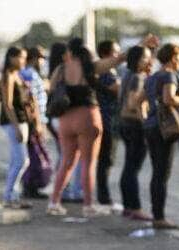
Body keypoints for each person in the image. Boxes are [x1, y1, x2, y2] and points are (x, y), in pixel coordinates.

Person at [47, 37, 125, 217]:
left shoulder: (60, 69)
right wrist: (143, 45)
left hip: (65, 119)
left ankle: (54, 202)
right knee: (88, 163)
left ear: (70, 52)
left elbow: (51, 89)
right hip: (87, 117)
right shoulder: (91, 67)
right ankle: (88, 205)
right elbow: (118, 59)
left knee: (66, 163)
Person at [144, 43, 179, 229]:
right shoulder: (169, 75)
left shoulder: (153, 77)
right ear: (173, 58)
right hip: (165, 129)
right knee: (162, 174)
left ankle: (156, 214)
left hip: (151, 127)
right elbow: (169, 99)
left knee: (157, 172)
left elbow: (138, 100)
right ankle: (159, 217)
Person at [0, 47, 36, 208]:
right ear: (12, 58)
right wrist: (16, 127)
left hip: (22, 121)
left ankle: (12, 195)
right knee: (22, 160)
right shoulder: (8, 76)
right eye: (21, 57)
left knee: (17, 161)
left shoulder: (17, 75)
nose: (24, 61)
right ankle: (9, 195)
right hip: (13, 122)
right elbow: (7, 104)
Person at [119, 45, 153, 221]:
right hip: (135, 125)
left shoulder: (127, 75)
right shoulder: (138, 78)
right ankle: (135, 208)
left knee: (128, 167)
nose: (148, 61)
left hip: (125, 124)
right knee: (133, 168)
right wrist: (145, 123)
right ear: (136, 60)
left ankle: (127, 207)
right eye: (145, 58)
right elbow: (133, 104)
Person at [20, 46, 52, 199]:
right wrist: (38, 123)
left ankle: (31, 187)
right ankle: (29, 187)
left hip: (35, 120)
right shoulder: (29, 74)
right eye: (41, 58)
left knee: (35, 155)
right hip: (33, 121)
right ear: (34, 58)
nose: (42, 62)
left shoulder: (31, 74)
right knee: (35, 156)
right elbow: (31, 101)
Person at [95, 40, 123, 212]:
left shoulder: (108, 71)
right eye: (116, 52)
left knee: (106, 161)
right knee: (106, 160)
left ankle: (103, 196)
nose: (118, 56)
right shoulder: (106, 73)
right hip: (107, 120)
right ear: (107, 53)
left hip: (109, 119)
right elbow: (119, 90)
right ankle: (104, 198)